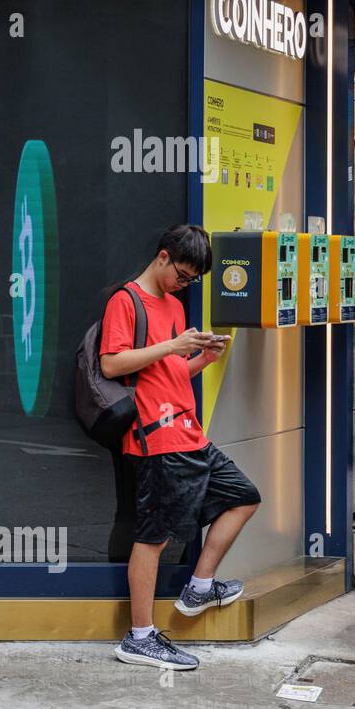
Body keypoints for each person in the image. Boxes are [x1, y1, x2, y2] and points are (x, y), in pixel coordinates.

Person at [99, 224, 262, 669]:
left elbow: (166, 374)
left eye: (192, 280)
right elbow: (111, 364)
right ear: (164, 257)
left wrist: (200, 359)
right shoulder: (126, 301)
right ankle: (140, 636)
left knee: (244, 496)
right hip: (156, 439)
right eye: (184, 275)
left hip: (188, 433)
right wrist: (172, 343)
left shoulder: (173, 305)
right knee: (152, 538)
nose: (185, 285)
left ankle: (200, 587)